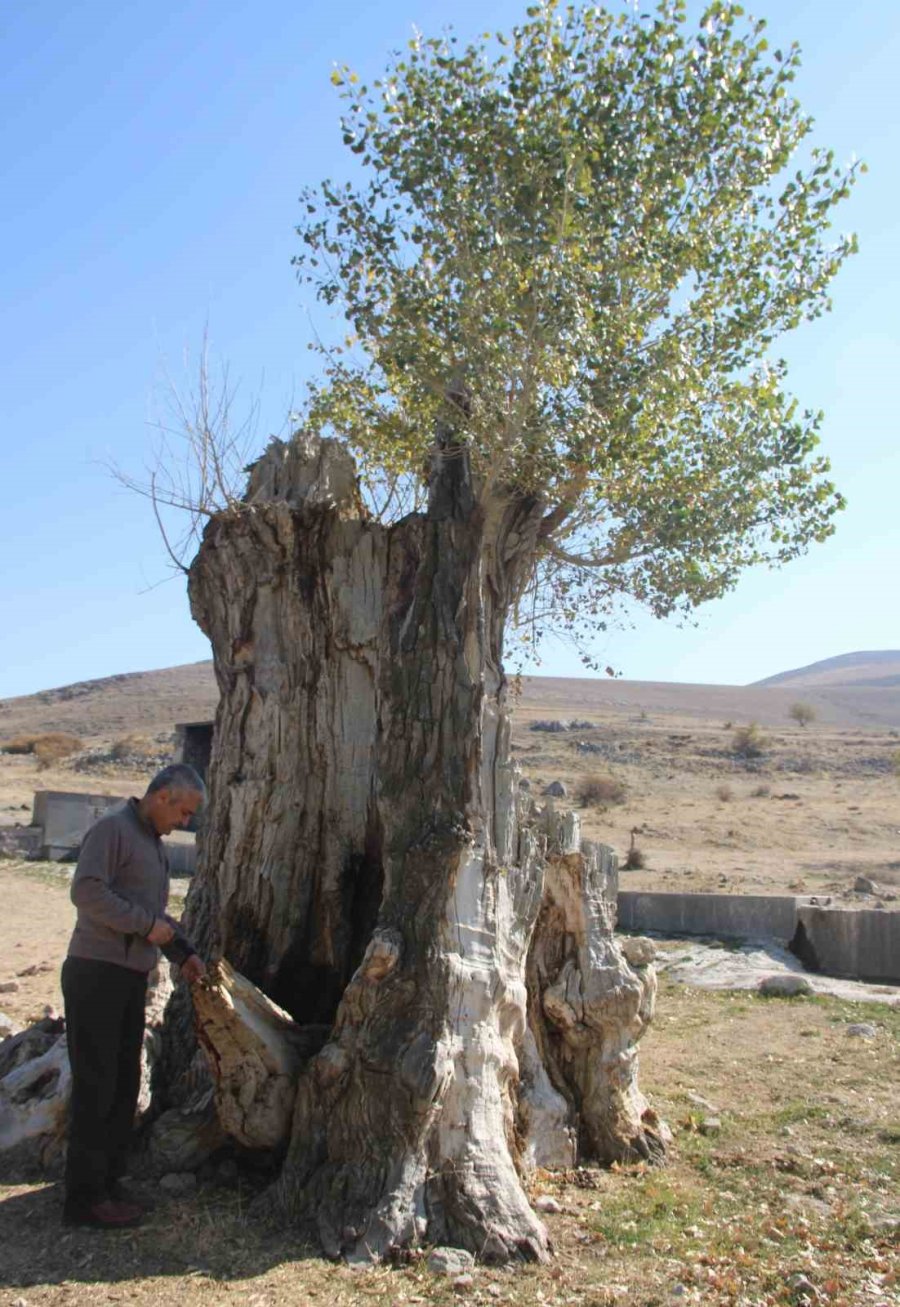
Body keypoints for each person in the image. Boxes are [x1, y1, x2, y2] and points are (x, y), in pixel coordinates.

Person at [61, 763, 207, 1229]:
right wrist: (147, 927)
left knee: (123, 1085)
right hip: (95, 973)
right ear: (161, 795)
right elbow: (86, 892)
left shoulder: (153, 846)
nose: (183, 823)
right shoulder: (113, 830)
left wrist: (183, 952)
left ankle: (107, 1183)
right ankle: (83, 1201)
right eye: (183, 812)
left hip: (128, 977)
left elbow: (155, 915)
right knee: (97, 1085)